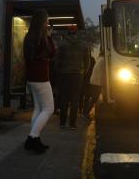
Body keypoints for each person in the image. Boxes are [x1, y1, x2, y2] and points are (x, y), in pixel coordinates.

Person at [23, 9, 56, 154]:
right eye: (47, 20)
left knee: (38, 108)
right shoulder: (41, 38)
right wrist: (49, 36)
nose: (48, 22)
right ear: (42, 21)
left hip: (31, 78)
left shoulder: (29, 36)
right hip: (41, 78)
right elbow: (52, 53)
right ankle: (32, 138)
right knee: (49, 109)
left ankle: (36, 139)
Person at [56, 25, 90, 130]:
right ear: (76, 33)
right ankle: (72, 124)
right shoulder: (84, 45)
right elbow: (87, 62)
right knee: (75, 99)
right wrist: (83, 72)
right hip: (77, 75)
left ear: (68, 33)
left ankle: (62, 123)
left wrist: (58, 73)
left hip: (64, 75)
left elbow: (57, 62)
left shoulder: (62, 45)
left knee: (64, 99)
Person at [83, 51, 105, 120]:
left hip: (94, 81)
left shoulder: (100, 59)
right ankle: (86, 113)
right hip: (97, 82)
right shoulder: (104, 60)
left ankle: (85, 112)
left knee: (92, 98)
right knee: (94, 98)